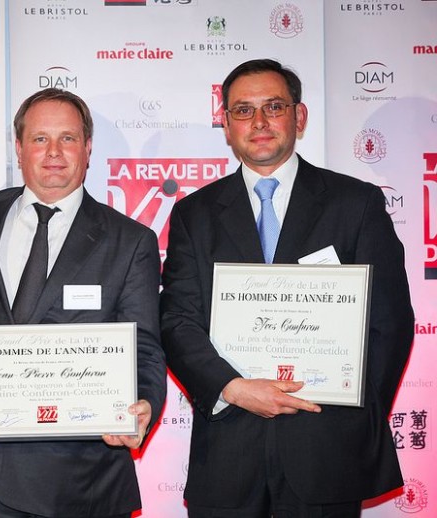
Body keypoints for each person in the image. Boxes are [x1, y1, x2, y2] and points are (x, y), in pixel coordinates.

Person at [160, 58, 414, 517]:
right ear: (226, 124)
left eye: (273, 106)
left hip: (327, 453)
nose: (258, 122)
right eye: (242, 110)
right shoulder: (194, 214)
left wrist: (344, 404)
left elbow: (389, 324)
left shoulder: (356, 204)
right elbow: (178, 321)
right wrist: (232, 388)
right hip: (227, 456)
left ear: (299, 116)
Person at [0, 88, 167, 518]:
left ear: (87, 148)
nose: (53, 153)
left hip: (81, 480)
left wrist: (143, 404)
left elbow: (144, 346)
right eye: (40, 139)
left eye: (67, 139)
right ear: (19, 146)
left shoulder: (130, 241)